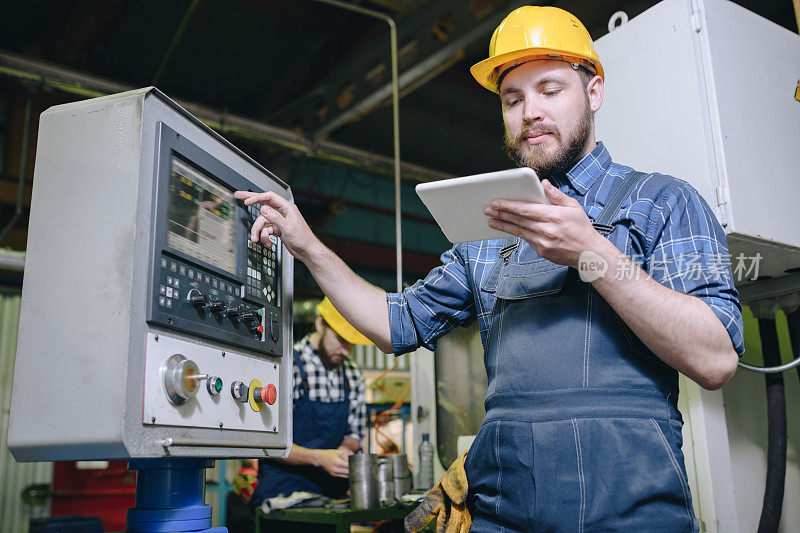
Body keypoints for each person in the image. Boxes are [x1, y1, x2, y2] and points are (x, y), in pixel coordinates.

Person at [235, 6, 743, 531]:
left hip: (634, 513)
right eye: (513, 98)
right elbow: (394, 323)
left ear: (593, 93)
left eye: (550, 89)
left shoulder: (663, 201)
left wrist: (590, 252)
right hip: (503, 514)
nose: (530, 112)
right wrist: (307, 245)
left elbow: (715, 358)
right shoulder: (489, 230)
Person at [249, 297, 369, 508]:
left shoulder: (353, 374)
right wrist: (320, 458)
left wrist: (344, 452)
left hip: (332, 496)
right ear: (320, 324)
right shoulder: (287, 366)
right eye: (340, 339)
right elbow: (268, 441)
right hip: (283, 494)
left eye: (352, 343)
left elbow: (354, 434)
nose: (345, 350)